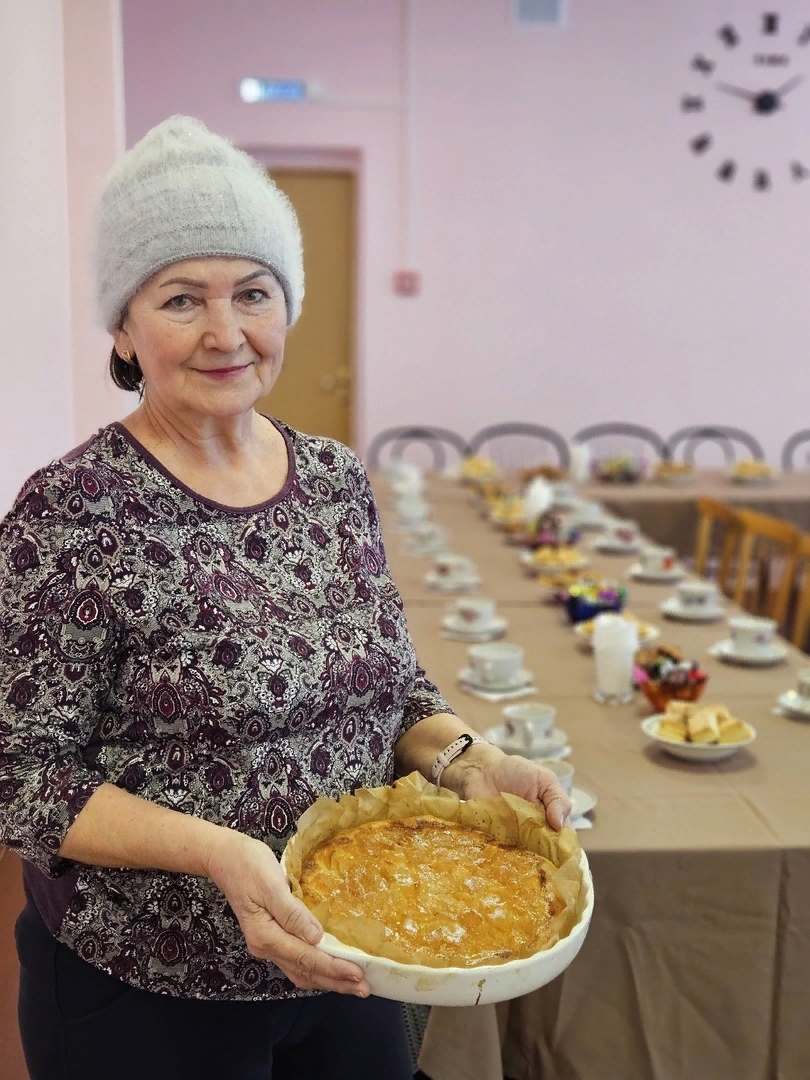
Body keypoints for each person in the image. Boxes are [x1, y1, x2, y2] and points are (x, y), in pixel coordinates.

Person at [0, 116, 571, 1080]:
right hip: (150, 983)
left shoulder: (335, 478)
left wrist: (471, 756)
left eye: (252, 294)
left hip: (353, 957)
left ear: (286, 305)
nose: (226, 333)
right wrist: (219, 851)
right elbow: (22, 778)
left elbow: (392, 690)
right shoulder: (74, 510)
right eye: (182, 299)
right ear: (124, 329)